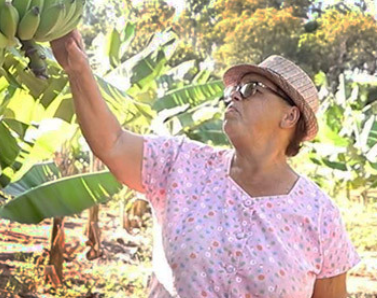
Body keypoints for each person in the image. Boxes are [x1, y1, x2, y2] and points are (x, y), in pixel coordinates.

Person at [50, 29, 360, 298]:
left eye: (251, 89)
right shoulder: (181, 165)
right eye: (233, 91)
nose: (233, 97)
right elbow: (112, 143)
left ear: (290, 116)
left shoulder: (319, 214)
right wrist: (76, 68)